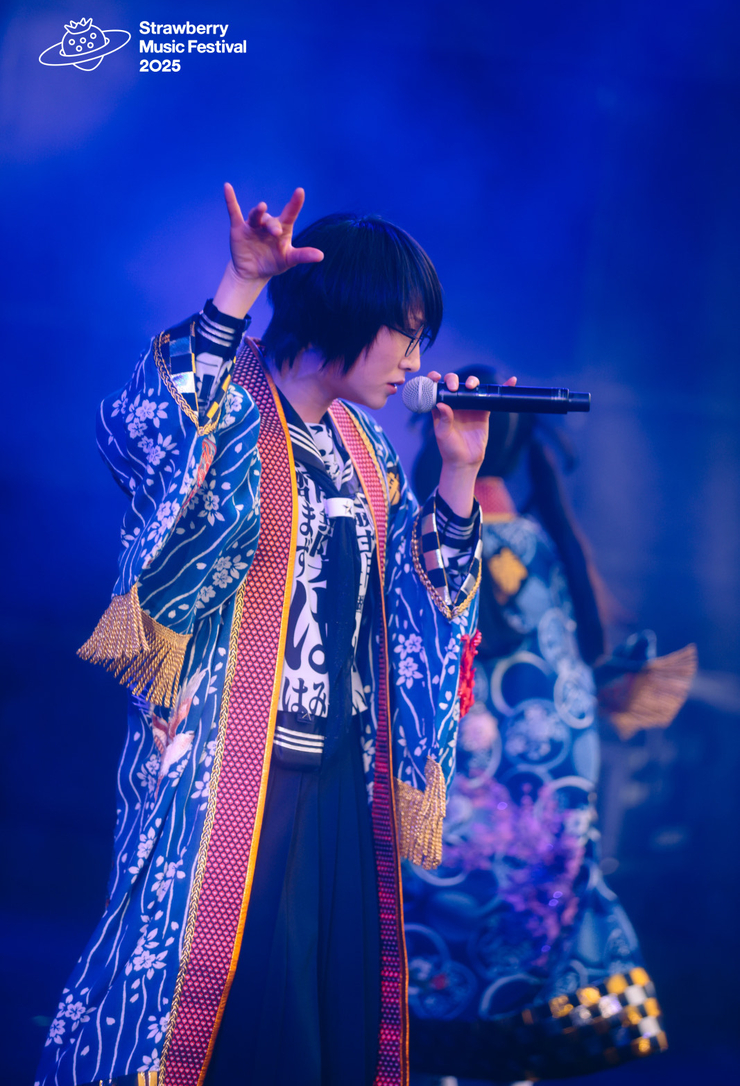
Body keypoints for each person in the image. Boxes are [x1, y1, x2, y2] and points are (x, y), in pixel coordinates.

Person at [35, 188, 495, 1086]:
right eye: (403, 332)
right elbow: (144, 434)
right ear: (345, 312)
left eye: (420, 338)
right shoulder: (234, 402)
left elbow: (415, 609)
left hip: (334, 773)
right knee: (211, 1000)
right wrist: (240, 283)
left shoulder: (368, 450)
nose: (414, 359)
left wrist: (459, 474)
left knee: (320, 1016)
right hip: (223, 763)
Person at [404, 367, 696, 1084]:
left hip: (451, 795)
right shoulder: (539, 545)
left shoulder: (435, 537)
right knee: (524, 978)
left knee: (425, 971)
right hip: (540, 806)